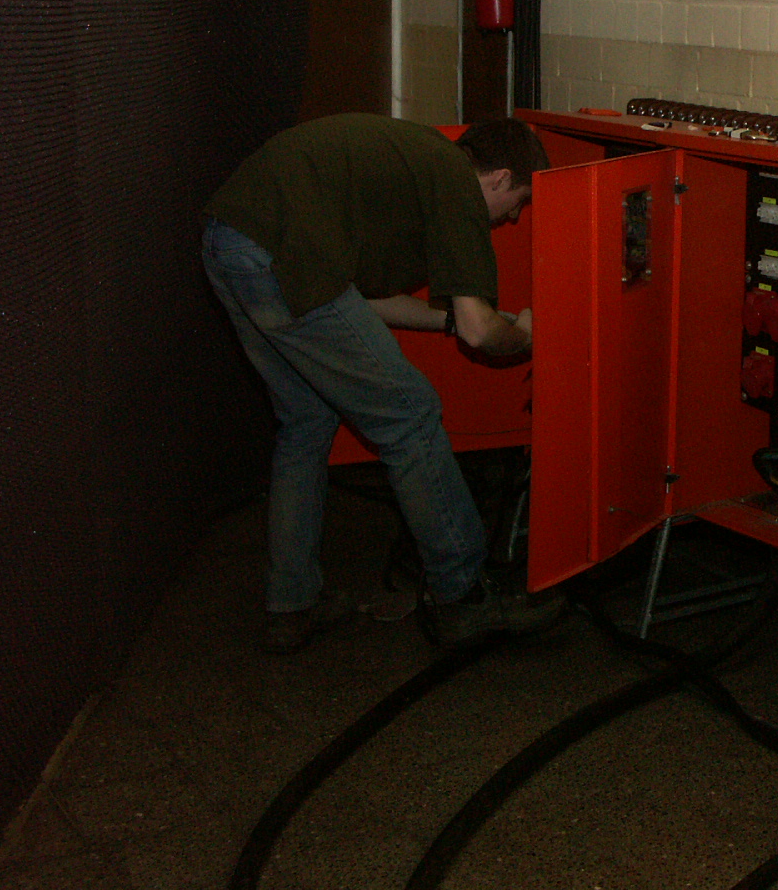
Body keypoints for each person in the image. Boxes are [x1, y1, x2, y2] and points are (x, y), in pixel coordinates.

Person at [201, 113, 561, 652]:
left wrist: (458, 320)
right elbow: (480, 331)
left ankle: (292, 606)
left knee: (307, 419)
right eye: (519, 202)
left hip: (229, 239)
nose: (512, 219)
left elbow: (359, 304)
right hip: (280, 253)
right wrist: (525, 335)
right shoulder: (457, 185)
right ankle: (463, 595)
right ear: (501, 178)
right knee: (410, 415)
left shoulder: (418, 166)